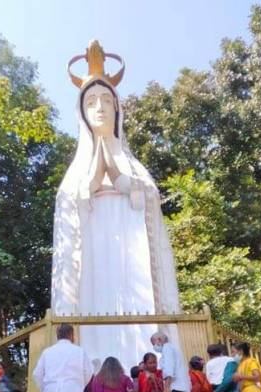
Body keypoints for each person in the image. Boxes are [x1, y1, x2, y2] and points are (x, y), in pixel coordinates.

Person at [51, 41, 182, 373]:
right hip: (93, 266)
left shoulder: (136, 168)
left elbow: (147, 203)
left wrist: (122, 177)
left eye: (107, 100)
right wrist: (94, 178)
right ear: (82, 111)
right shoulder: (76, 172)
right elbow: (70, 210)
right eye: (92, 101)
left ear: (118, 109)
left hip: (131, 259)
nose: (100, 108)